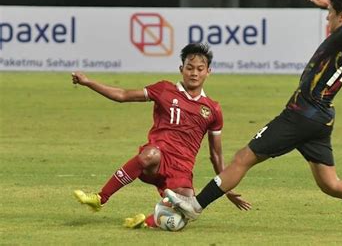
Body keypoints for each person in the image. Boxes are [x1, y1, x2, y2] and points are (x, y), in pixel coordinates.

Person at [165, 0, 342, 234]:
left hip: (301, 113)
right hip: (320, 117)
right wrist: (328, 2)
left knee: (242, 158)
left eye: (331, 15)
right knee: (330, 184)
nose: (327, 18)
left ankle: (195, 206)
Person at [71, 43, 251, 229]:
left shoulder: (212, 109)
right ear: (181, 69)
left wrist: (226, 187)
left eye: (199, 69)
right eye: (189, 68)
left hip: (182, 169)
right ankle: (100, 198)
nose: (194, 73)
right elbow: (123, 95)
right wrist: (88, 82)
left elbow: (216, 154)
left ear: (208, 72)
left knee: (186, 211)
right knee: (150, 154)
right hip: (157, 159)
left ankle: (146, 222)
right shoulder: (164, 89)